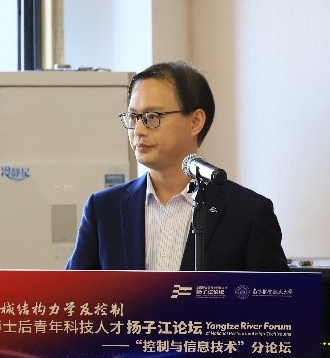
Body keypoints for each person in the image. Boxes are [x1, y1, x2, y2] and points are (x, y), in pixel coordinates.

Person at [66, 61, 289, 272]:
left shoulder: (248, 213)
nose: (138, 130)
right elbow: (71, 295)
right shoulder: (104, 209)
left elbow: (278, 296)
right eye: (133, 117)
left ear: (195, 122)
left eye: (152, 116)